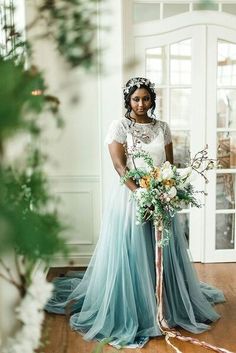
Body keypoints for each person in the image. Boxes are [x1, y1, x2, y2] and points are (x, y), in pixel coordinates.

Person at [45, 77, 225, 349]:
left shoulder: (162, 128)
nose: (141, 104)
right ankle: (137, 310)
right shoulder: (119, 126)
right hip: (131, 196)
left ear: (153, 99)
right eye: (136, 99)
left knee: (162, 250)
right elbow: (119, 166)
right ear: (128, 101)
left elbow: (168, 163)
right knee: (133, 251)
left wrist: (165, 189)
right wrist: (140, 192)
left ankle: (166, 305)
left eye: (146, 98)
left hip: (160, 193)